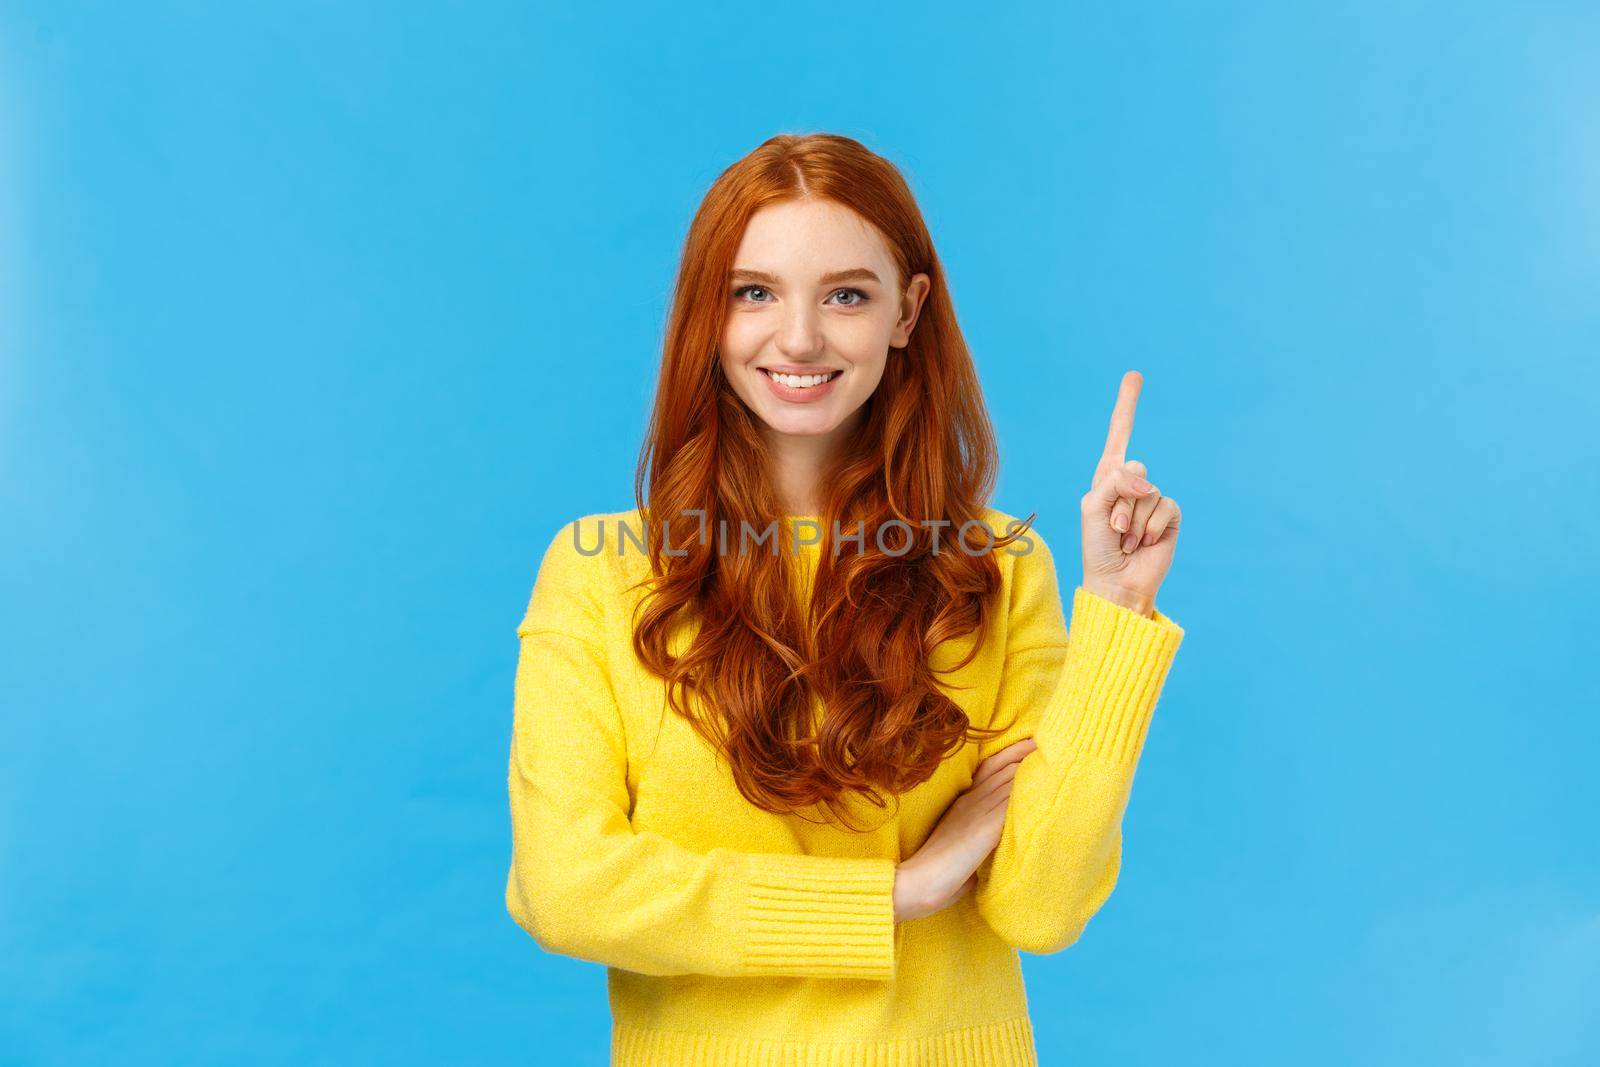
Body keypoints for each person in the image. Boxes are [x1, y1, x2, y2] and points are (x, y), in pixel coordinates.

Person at [505, 132, 1185, 1066]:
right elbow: (567, 887)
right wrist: (898, 892)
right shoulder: (600, 571)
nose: (799, 338)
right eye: (755, 292)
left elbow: (1042, 905)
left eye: (846, 295)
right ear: (708, 313)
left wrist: (1116, 608)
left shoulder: (998, 567)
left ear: (907, 312)